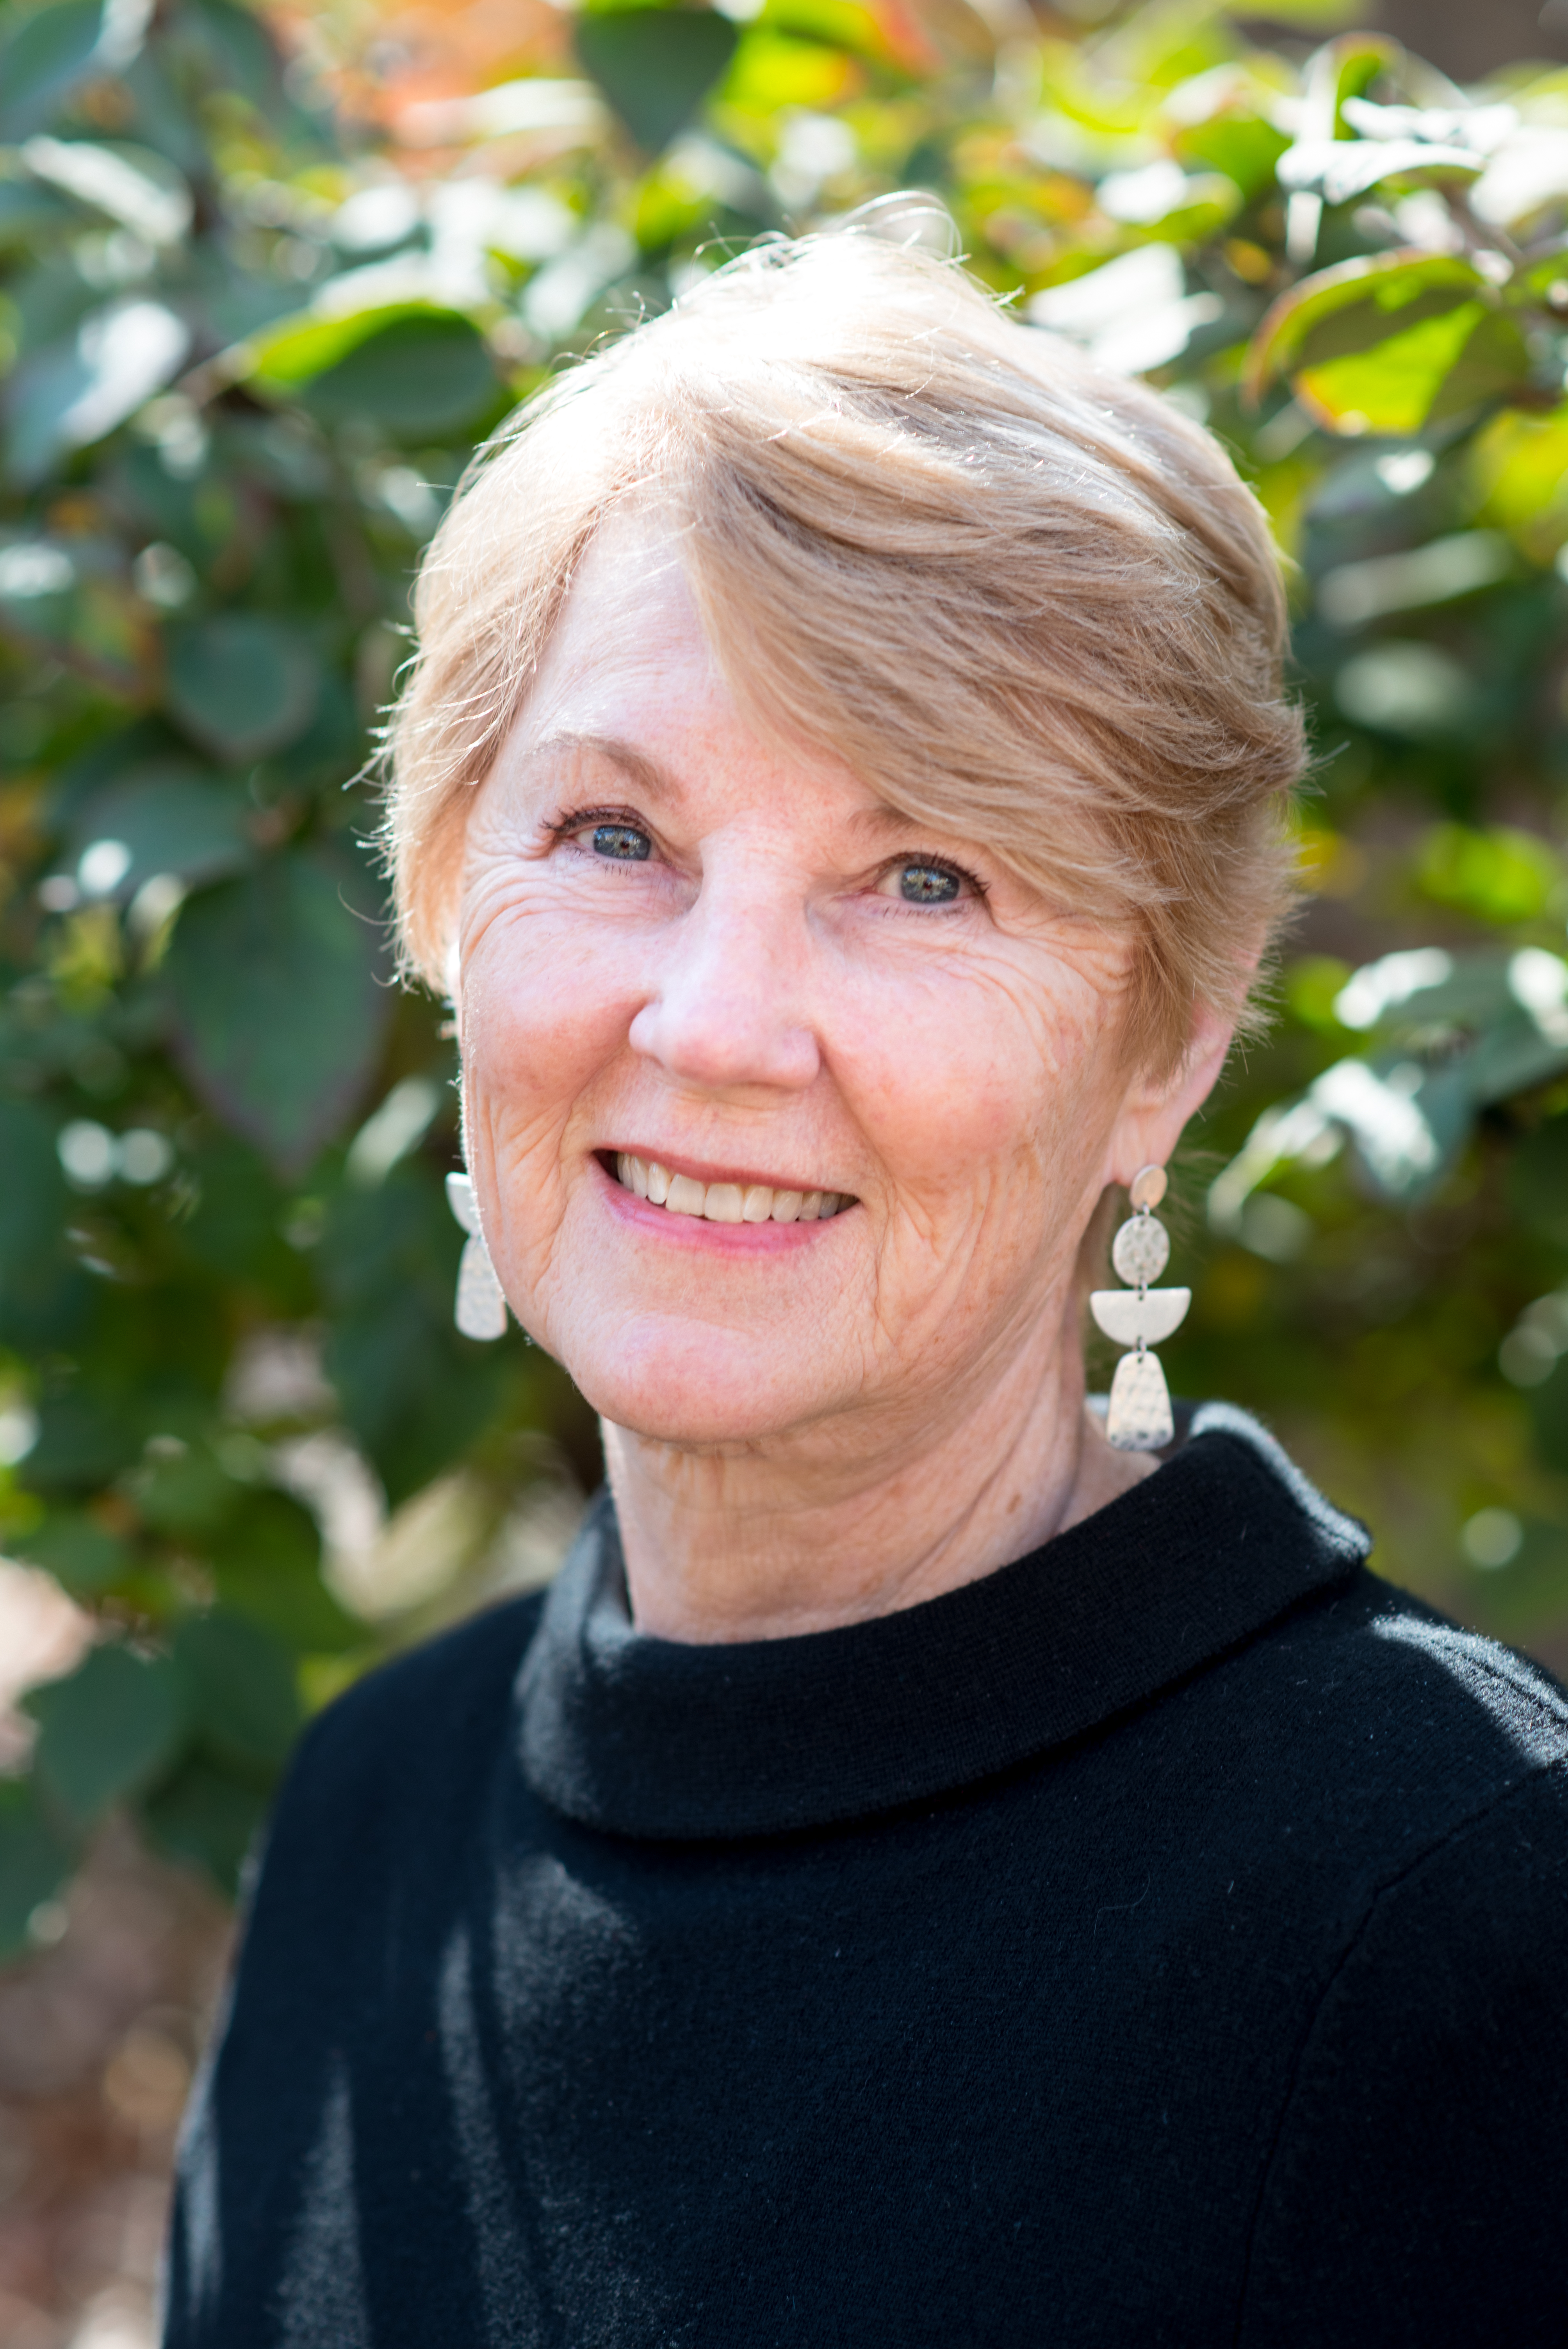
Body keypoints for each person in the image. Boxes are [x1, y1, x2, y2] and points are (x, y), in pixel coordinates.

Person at [161, 218, 1568, 2348]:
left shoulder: (1465, 1920)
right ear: (448, 901)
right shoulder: (373, 1809)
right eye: (616, 837)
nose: (719, 1025)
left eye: (926, 875)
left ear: (1164, 1042)